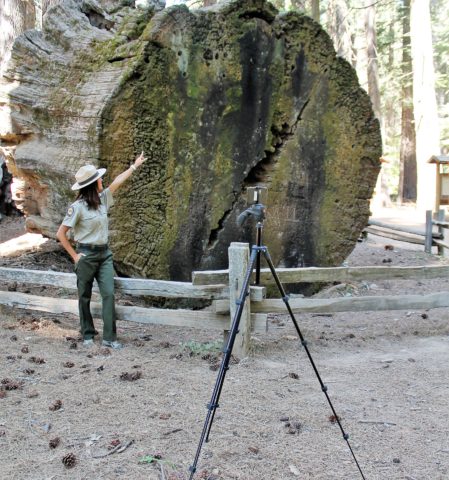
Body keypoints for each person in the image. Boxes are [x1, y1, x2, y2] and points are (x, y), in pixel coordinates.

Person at [56, 152, 146, 349]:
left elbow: (117, 182)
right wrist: (75, 256)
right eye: (99, 179)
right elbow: (61, 234)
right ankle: (87, 333)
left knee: (109, 294)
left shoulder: (103, 199)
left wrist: (135, 166)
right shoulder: (77, 207)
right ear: (91, 184)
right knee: (84, 296)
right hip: (86, 255)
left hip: (104, 255)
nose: (102, 180)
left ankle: (109, 338)